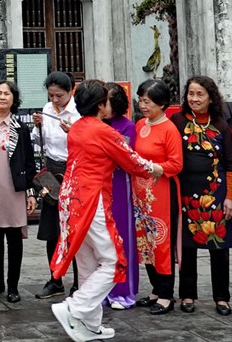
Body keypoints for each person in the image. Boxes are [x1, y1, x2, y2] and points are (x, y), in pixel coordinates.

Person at [49, 80, 161, 341]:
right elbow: (132, 161)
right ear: (101, 105)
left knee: (88, 262)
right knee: (113, 261)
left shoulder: (77, 128)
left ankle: (90, 325)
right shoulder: (102, 131)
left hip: (71, 200)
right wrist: (156, 168)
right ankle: (74, 307)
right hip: (91, 199)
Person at [171, 76, 232, 315]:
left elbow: (230, 164)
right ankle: (187, 295)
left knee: (218, 246)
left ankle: (222, 297)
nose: (194, 99)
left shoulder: (220, 124)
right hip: (185, 193)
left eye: (200, 94)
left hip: (216, 194)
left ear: (211, 97)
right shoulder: (177, 121)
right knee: (186, 247)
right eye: (191, 93)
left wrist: (230, 197)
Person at [0, 80, 37, 303]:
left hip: (13, 190)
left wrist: (30, 192)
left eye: (7, 94)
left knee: (14, 238)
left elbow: (29, 163)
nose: (2, 97)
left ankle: (13, 286)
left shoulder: (20, 128)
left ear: (14, 99)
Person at [132, 78, 183, 314]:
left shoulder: (169, 129)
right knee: (145, 242)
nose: (143, 105)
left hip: (162, 190)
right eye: (141, 100)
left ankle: (166, 294)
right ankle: (155, 289)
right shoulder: (140, 124)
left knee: (162, 241)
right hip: (140, 193)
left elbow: (176, 164)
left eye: (148, 101)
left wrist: (150, 167)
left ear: (162, 104)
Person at [31, 71, 80, 300]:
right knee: (52, 231)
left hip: (73, 168)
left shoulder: (79, 111)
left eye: (59, 96)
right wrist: (38, 125)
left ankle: (80, 282)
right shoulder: (47, 109)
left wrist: (73, 133)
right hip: (52, 171)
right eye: (51, 96)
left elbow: (86, 141)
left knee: (75, 230)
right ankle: (55, 279)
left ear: (71, 91)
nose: (54, 100)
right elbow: (39, 140)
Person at [102, 83, 139, 311]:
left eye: (105, 102)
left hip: (119, 185)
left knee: (122, 237)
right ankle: (104, 289)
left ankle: (124, 290)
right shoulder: (96, 124)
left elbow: (126, 158)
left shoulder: (127, 126)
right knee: (103, 239)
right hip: (100, 184)